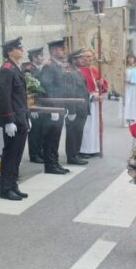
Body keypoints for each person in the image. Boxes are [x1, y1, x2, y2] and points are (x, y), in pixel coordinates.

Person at [0, 37, 31, 201]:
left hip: (21, 118)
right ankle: (5, 189)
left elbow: (21, 97)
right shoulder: (7, 69)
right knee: (10, 154)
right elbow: (5, 97)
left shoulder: (17, 68)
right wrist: (8, 120)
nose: (21, 50)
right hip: (13, 120)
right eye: (19, 47)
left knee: (17, 155)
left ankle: (13, 185)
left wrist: (27, 116)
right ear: (10, 51)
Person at [38, 39, 71, 174]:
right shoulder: (49, 66)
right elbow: (46, 87)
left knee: (56, 137)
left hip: (58, 107)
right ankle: (50, 165)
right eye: (60, 49)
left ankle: (55, 162)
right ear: (53, 51)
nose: (63, 51)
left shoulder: (57, 66)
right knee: (50, 138)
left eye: (63, 49)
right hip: (51, 108)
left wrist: (64, 106)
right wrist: (52, 107)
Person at [78, 50, 108, 158]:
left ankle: (94, 148)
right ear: (82, 58)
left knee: (96, 126)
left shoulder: (94, 70)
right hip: (88, 102)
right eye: (87, 56)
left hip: (96, 103)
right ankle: (84, 150)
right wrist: (93, 97)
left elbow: (103, 84)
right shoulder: (80, 71)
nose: (90, 59)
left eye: (91, 56)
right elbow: (80, 90)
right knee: (87, 126)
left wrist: (101, 83)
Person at [64, 50, 91, 166]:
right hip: (76, 108)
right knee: (72, 133)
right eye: (80, 58)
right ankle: (72, 156)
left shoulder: (77, 71)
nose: (83, 60)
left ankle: (76, 154)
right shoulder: (70, 72)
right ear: (74, 60)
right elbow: (69, 92)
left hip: (82, 107)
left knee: (78, 132)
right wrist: (72, 110)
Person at [24, 47, 47, 164]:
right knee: (34, 131)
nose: (43, 58)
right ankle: (34, 154)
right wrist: (32, 108)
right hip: (33, 105)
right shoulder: (29, 70)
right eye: (40, 56)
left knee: (40, 129)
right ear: (34, 58)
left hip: (40, 104)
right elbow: (29, 90)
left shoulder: (37, 69)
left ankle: (39, 151)